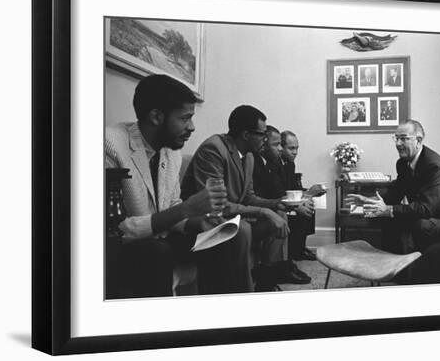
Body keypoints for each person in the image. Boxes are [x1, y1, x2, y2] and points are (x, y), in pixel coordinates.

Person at [105, 74, 251, 298]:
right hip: (127, 247)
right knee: (156, 252)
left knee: (233, 234)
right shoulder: (110, 145)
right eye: (185, 118)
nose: (192, 127)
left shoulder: (170, 151)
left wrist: (198, 222)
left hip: (162, 237)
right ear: (156, 116)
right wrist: (187, 209)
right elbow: (114, 230)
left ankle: (228, 317)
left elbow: (171, 205)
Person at [181, 105, 303, 291]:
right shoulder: (213, 149)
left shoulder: (249, 156)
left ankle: (266, 281)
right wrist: (264, 211)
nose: (265, 138)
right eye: (262, 134)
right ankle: (244, 293)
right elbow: (216, 205)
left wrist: (277, 203)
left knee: (278, 216)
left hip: (233, 216)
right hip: (205, 220)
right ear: (246, 134)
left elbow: (249, 197)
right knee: (244, 228)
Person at [345, 119, 440, 254]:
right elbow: (396, 193)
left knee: (421, 225)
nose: (398, 144)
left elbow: (425, 208)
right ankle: (392, 266)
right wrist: (370, 200)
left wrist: (388, 209)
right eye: (396, 138)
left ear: (418, 140)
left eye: (404, 138)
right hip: (429, 214)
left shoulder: (434, 165)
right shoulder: (402, 163)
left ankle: (415, 268)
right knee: (388, 219)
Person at [252, 126, 312, 283]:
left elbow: (286, 189)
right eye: (277, 145)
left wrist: (305, 197)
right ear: (264, 144)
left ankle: (292, 257)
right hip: (262, 207)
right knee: (284, 214)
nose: (279, 149)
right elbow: (274, 191)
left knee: (306, 204)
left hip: (272, 202)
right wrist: (291, 204)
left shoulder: (270, 162)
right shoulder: (258, 161)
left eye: (296, 148)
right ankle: (284, 267)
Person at [280, 130, 326, 261]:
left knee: (310, 202)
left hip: (289, 197)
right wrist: (308, 193)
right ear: (281, 147)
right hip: (281, 201)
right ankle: (297, 250)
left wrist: (312, 192)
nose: (295, 152)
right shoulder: (277, 164)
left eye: (296, 148)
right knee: (305, 205)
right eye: (291, 148)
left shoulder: (290, 163)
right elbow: (281, 192)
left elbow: (294, 187)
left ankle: (300, 246)